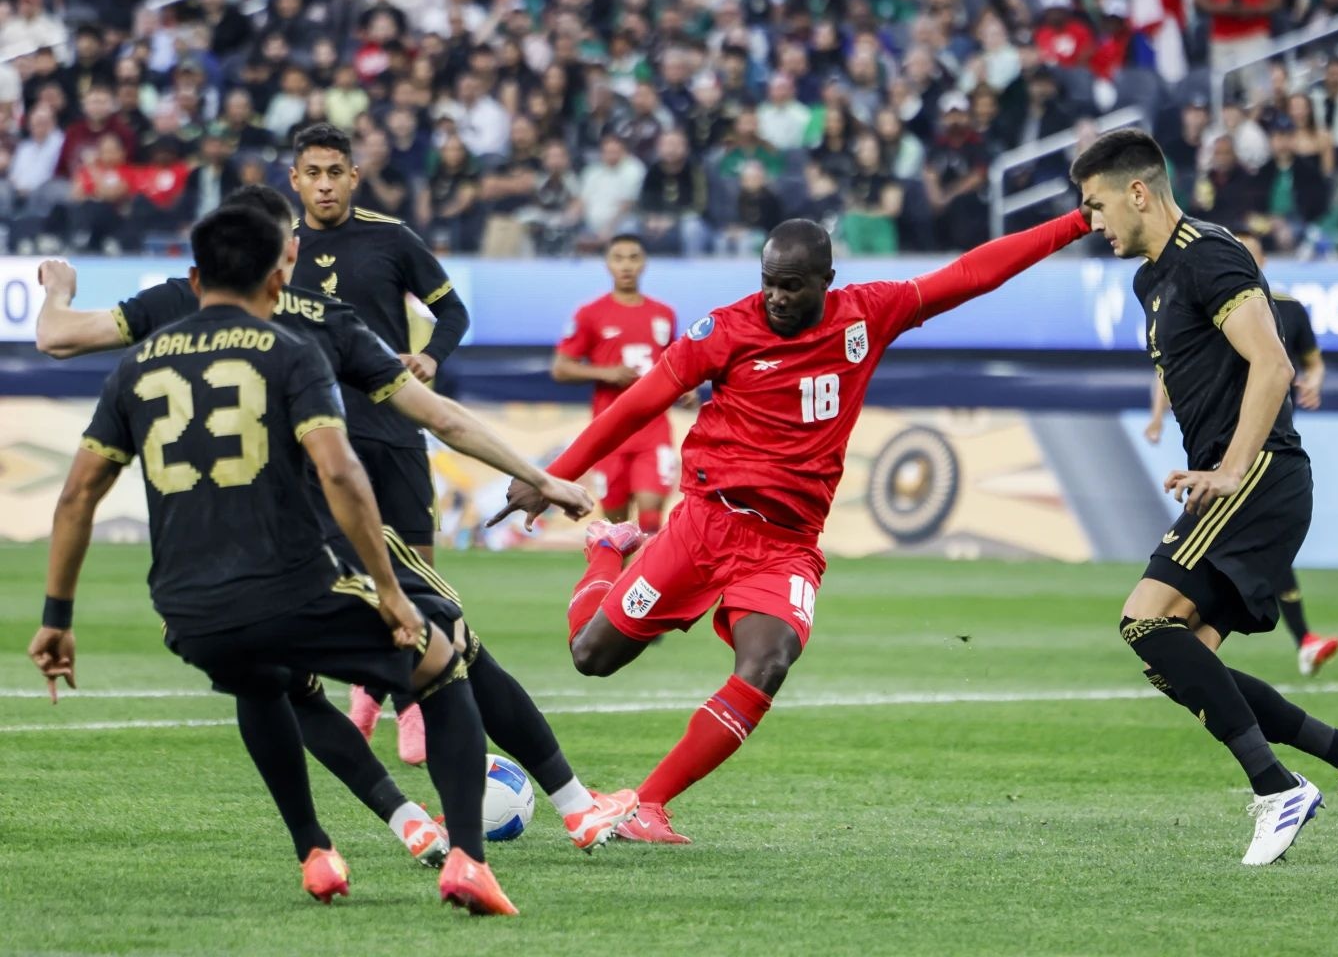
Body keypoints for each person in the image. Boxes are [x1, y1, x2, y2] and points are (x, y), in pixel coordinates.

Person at [32, 184, 638, 855]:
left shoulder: (172, 309)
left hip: (202, 560)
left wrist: (57, 290)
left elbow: (58, 343)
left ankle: (380, 830)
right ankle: (563, 812)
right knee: (452, 649)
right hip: (318, 535)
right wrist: (540, 476)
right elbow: (436, 418)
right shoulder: (315, 318)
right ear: (285, 256)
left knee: (276, 685)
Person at [492, 208, 1099, 843]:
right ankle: (606, 549)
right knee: (590, 657)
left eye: (792, 285)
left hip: (784, 545)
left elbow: (971, 274)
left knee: (769, 660)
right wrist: (549, 477)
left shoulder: (868, 314)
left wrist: (1076, 222)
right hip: (705, 524)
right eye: (768, 283)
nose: (777, 298)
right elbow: (638, 404)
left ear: (826, 281)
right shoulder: (724, 330)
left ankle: (648, 803)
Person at [1072, 128, 1338, 865]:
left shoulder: (1209, 253)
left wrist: (1229, 467)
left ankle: (1277, 788)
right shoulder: (1150, 282)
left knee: (1143, 620)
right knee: (1181, 659)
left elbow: (1274, 364)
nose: (1091, 223)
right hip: (1232, 479)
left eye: (1095, 205)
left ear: (1138, 193)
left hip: (1259, 475)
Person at [288, 122, 472, 760]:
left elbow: (453, 311)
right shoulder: (279, 249)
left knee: (418, 572)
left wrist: (431, 357)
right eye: (313, 174)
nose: (325, 185)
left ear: (354, 177)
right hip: (320, 438)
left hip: (393, 430)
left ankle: (405, 700)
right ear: (295, 180)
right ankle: (378, 694)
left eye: (335, 173)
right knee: (347, 573)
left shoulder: (392, 238)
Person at [1144, 228, 1338, 676]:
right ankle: (1303, 647)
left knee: (1154, 625)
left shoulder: (1288, 308)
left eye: (1245, 253)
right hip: (1222, 454)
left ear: (1261, 261)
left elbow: (1305, 363)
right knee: (1179, 644)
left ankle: (1303, 644)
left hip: (1266, 451)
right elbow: (1172, 367)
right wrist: (1157, 416)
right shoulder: (1204, 292)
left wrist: (1314, 382)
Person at [551, 235, 681, 533]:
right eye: (618, 258)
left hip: (653, 430)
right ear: (607, 264)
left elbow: (674, 363)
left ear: (644, 263)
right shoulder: (590, 314)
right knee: (616, 527)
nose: (626, 266)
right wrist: (605, 373)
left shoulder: (664, 314)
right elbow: (561, 368)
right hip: (609, 432)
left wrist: (684, 390)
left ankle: (649, 565)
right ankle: (617, 564)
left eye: (633, 258)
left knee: (650, 518)